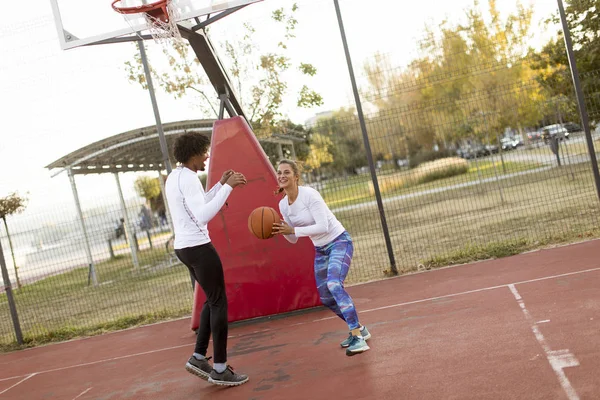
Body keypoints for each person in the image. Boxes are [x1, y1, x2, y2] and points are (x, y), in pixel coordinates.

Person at [165, 131, 249, 386]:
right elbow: (202, 215)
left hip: (185, 249)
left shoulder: (175, 176)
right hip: (199, 248)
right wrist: (229, 188)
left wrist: (219, 185)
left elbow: (197, 205)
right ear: (193, 154)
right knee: (219, 303)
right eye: (204, 151)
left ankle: (199, 357)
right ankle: (221, 368)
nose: (207, 156)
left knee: (211, 300)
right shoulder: (189, 179)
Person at [271, 159, 371, 356]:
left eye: (286, 172)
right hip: (321, 249)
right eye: (279, 172)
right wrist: (280, 230)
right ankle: (360, 328)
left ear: (296, 177)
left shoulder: (309, 195)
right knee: (326, 297)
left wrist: (293, 229)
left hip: (339, 241)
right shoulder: (283, 205)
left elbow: (323, 226)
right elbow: (293, 239)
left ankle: (358, 337)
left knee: (334, 284)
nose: (281, 175)